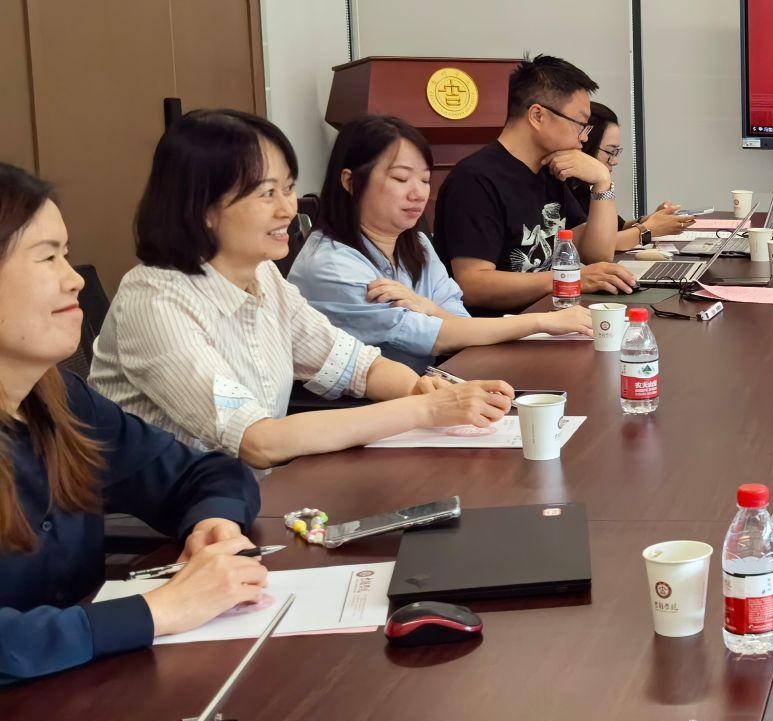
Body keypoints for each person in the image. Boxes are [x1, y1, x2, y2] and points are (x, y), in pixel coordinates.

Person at [91, 111, 512, 470]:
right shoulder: (157, 300)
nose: (287, 209)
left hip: (257, 493)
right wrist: (425, 409)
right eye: (266, 193)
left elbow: (357, 366)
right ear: (203, 208)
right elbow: (258, 441)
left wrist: (424, 389)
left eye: (289, 188)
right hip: (178, 522)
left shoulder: (264, 276)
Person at [0, 164, 270, 683]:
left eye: (66, 253)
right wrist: (158, 610)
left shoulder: (60, 399)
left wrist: (211, 525)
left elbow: (203, 473)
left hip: (80, 693)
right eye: (48, 257)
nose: (75, 278)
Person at [290, 115, 593, 373]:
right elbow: (437, 338)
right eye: (401, 179)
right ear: (351, 182)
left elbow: (459, 322)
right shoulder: (331, 265)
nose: (418, 193)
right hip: (364, 408)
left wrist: (428, 308)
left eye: (424, 180)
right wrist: (543, 321)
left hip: (426, 388)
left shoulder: (417, 244)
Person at [432, 54, 639, 313]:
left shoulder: (549, 171)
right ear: (538, 116)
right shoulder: (475, 180)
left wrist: (602, 181)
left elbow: (596, 255)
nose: (584, 138)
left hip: (551, 319)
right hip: (499, 331)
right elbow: (473, 285)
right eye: (580, 124)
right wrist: (569, 279)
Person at [577, 102, 694, 258]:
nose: (615, 161)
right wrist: (648, 229)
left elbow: (616, 228)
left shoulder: (583, 186)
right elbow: (599, 246)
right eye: (610, 152)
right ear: (586, 146)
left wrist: (650, 219)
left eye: (616, 152)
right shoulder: (565, 188)